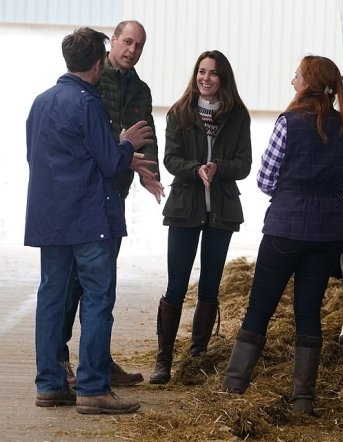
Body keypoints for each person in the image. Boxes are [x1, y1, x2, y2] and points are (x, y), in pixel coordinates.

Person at [26, 27, 156, 413]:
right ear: (98, 63)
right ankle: (93, 388)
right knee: (98, 300)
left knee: (51, 296)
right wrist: (128, 142)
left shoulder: (41, 102)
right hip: (88, 218)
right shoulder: (89, 103)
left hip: (50, 218)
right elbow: (111, 161)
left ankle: (49, 384)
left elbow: (37, 157)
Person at [222, 55, 343, 415]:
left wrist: (293, 191)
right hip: (329, 231)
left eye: (296, 76)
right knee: (309, 310)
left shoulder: (288, 123)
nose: (292, 81)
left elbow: (266, 180)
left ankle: (234, 385)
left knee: (260, 307)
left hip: (285, 226)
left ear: (309, 82)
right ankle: (303, 399)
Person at [60, 20, 164, 388]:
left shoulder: (141, 89)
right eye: (127, 42)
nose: (132, 50)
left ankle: (98, 360)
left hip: (113, 194)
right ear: (113, 42)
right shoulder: (91, 77)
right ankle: (61, 361)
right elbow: (86, 134)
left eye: (139, 45)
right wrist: (121, 147)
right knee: (75, 283)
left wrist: (147, 171)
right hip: (84, 192)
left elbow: (145, 133)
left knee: (101, 284)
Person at [148, 50, 252, 384]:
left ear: (223, 78)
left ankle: (196, 358)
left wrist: (218, 168)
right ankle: (163, 361)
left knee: (210, 285)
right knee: (176, 284)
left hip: (221, 210)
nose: (205, 78)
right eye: (201, 72)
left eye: (213, 73)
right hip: (184, 208)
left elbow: (244, 163)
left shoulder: (238, 116)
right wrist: (196, 170)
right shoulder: (179, 113)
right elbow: (170, 159)